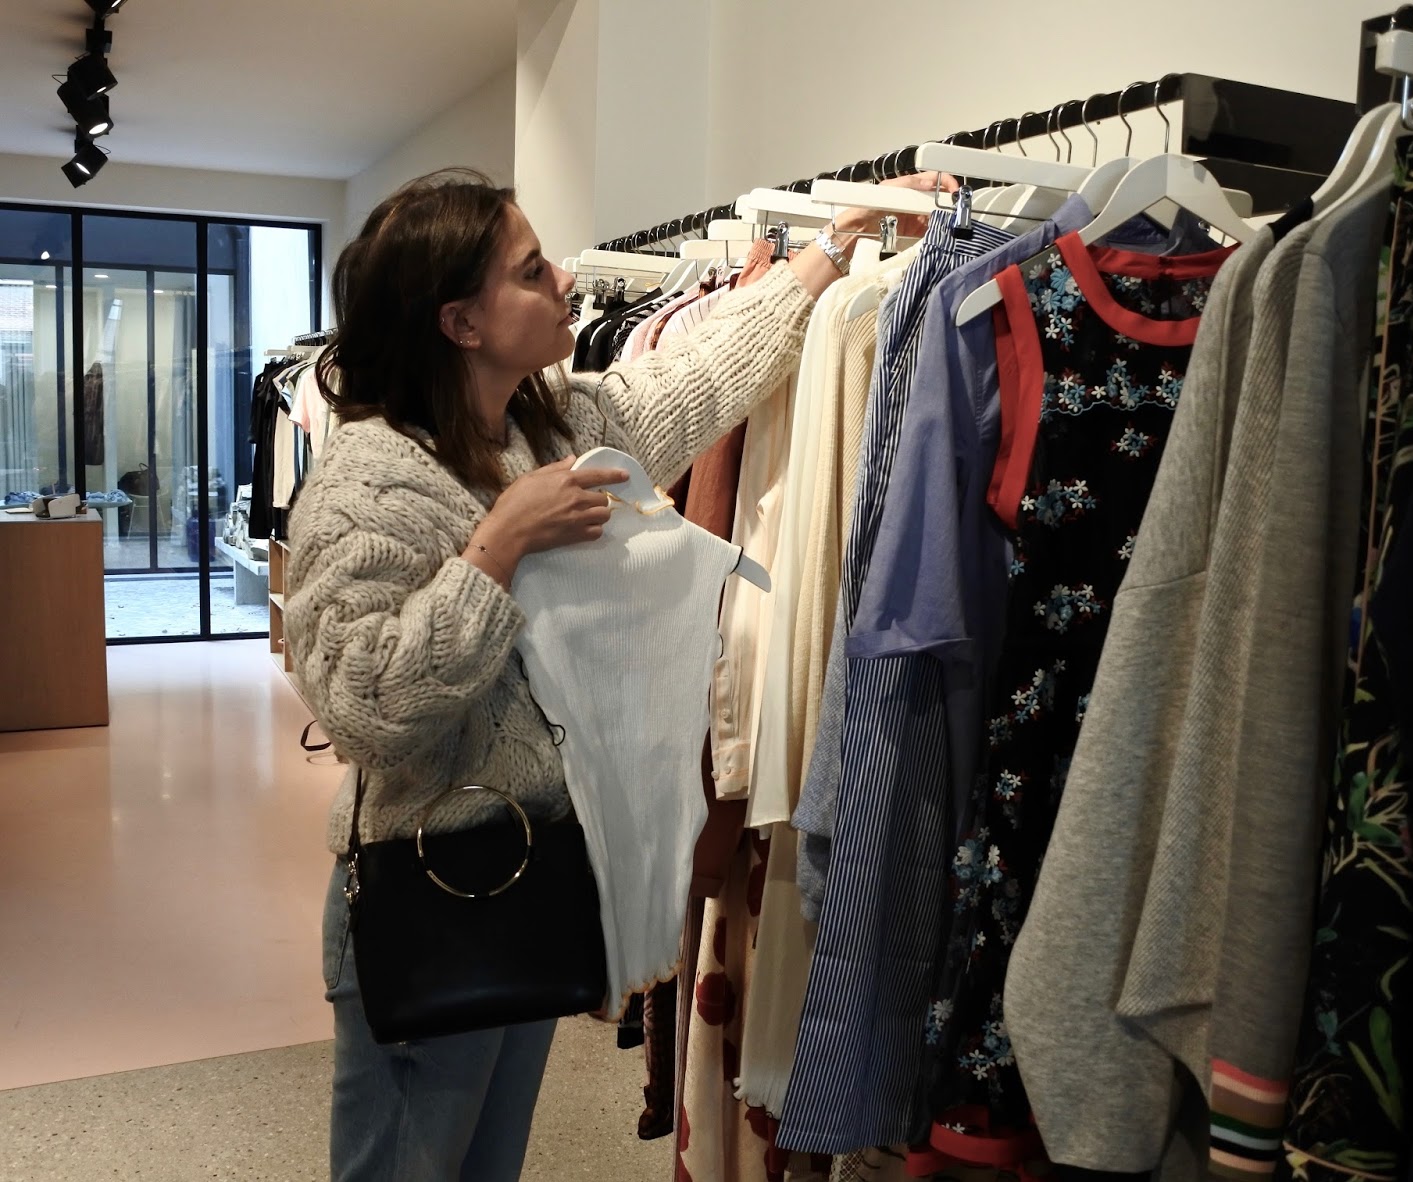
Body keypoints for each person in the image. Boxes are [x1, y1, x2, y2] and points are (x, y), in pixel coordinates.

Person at [285, 167, 942, 1181]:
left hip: (529, 872)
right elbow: (365, 709)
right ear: (461, 323)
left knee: (486, 1164)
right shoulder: (366, 482)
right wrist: (496, 549)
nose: (564, 281)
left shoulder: (553, 426)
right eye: (529, 270)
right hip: (428, 886)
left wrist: (834, 243)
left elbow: (701, 377)